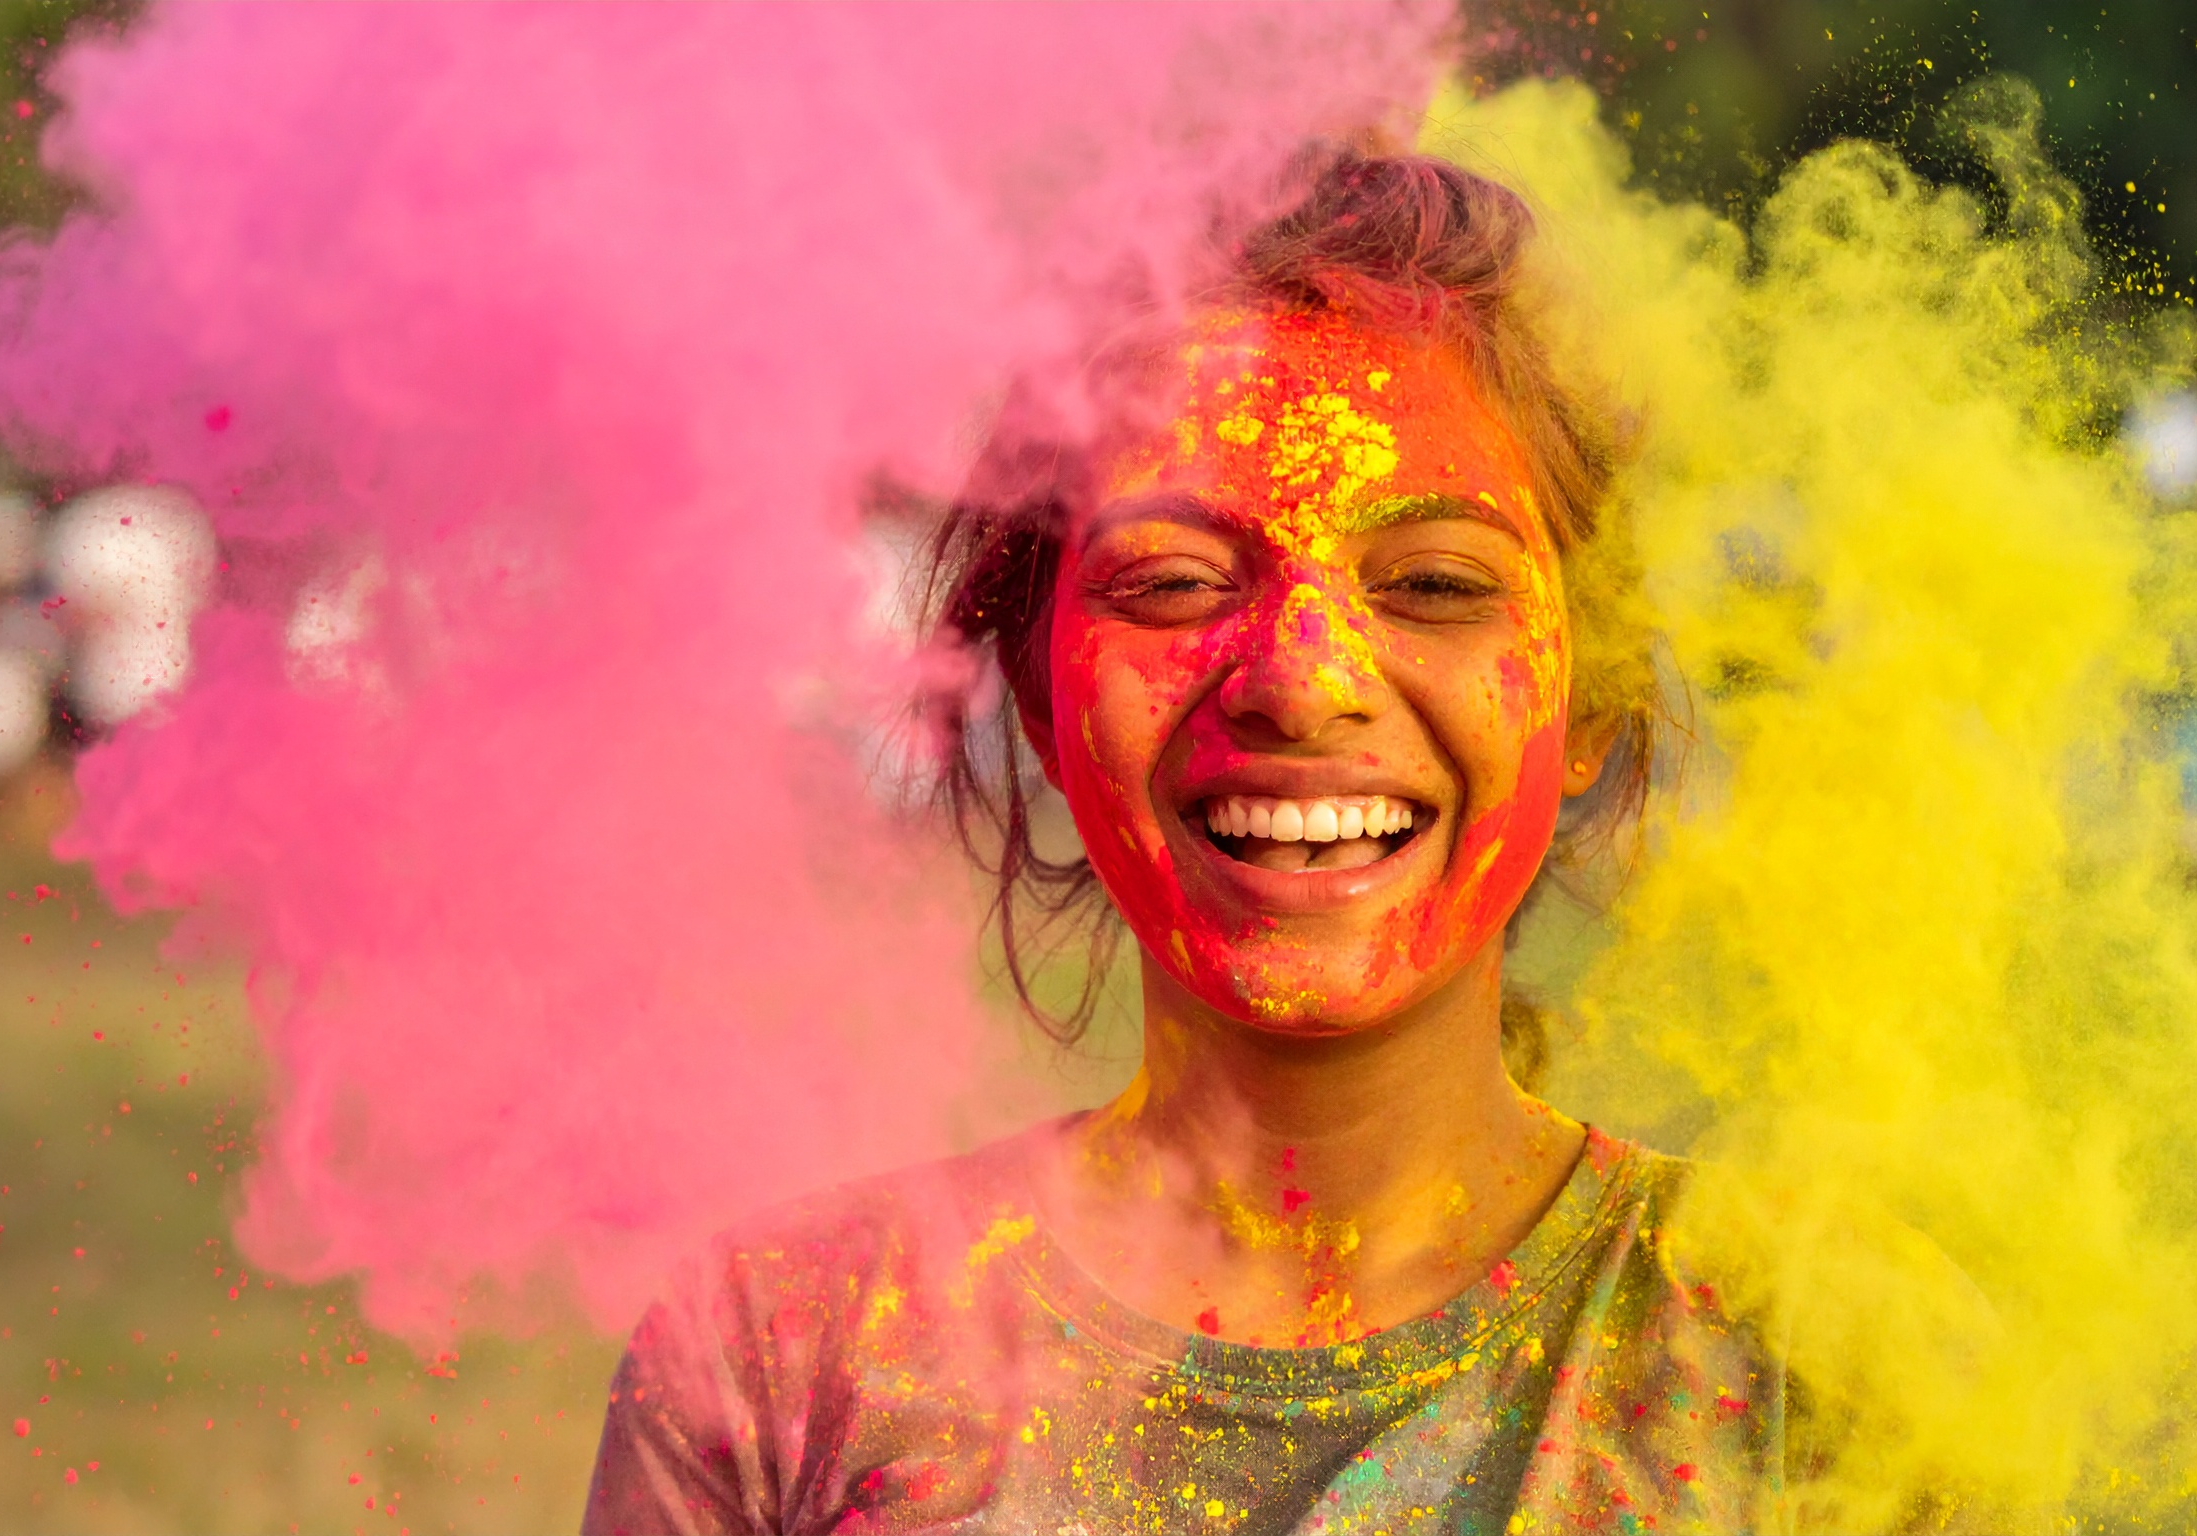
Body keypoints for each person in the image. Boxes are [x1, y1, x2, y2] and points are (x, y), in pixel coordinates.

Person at [583, 151, 1767, 1535]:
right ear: (1034, 687)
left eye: (1436, 584)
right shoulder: (780, 1357)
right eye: (1176, 582)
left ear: (1594, 698)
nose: (1300, 677)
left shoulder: (1814, 1358)